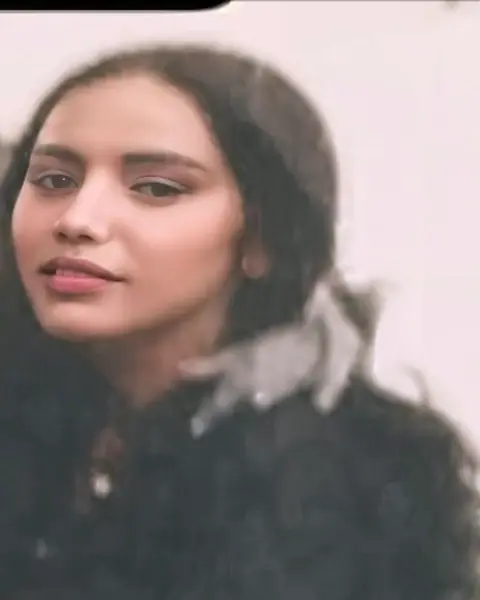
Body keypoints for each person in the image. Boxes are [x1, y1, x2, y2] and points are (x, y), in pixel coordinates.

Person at [0, 43, 477, 600]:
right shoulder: (46, 404)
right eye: (54, 180)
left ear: (261, 238)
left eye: (156, 188)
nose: (77, 220)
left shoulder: (331, 488)